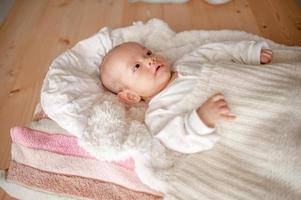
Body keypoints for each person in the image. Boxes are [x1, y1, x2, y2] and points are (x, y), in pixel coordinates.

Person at [100, 41, 272, 153]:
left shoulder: (188, 61)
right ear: (130, 95)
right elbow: (175, 137)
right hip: (247, 118)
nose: (149, 60)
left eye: (148, 53)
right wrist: (202, 119)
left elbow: (216, 50)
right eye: (137, 66)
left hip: (256, 85)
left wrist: (249, 53)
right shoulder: (158, 111)